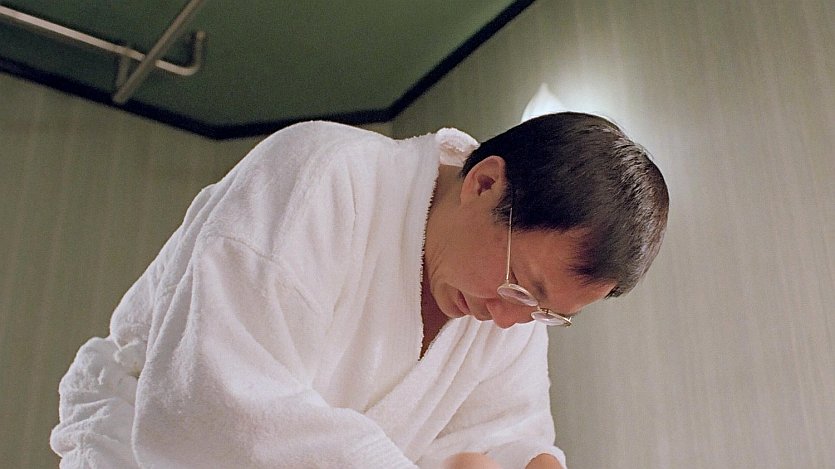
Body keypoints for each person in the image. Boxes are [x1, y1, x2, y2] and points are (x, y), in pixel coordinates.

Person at [50, 112, 669, 469]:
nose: (510, 320)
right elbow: (213, 405)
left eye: (546, 313)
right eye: (521, 287)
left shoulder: (510, 312)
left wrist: (531, 461)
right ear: (483, 184)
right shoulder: (322, 175)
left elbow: (497, 440)